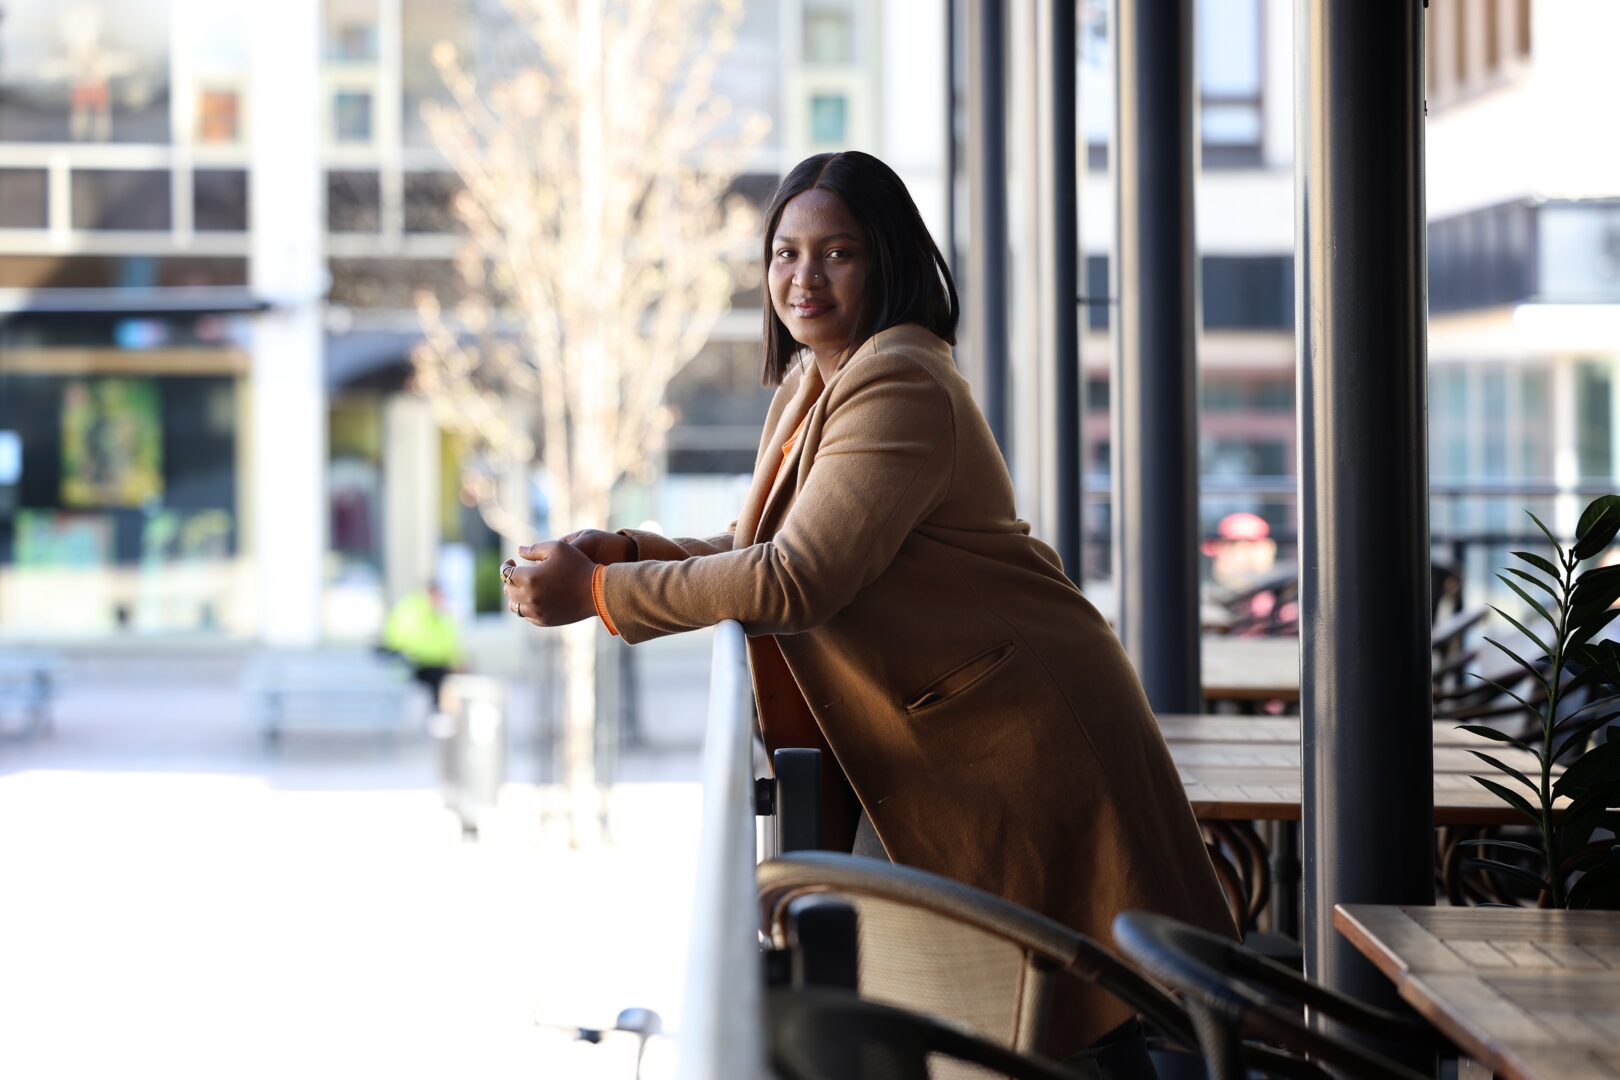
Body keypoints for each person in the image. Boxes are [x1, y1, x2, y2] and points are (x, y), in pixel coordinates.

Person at [500, 151, 1234, 1069]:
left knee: (1075, 1016)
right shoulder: (816, 379)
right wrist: (634, 551)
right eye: (786, 252)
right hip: (969, 729)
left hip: (1025, 737)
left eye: (837, 253)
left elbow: (797, 581)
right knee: (1049, 1015)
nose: (803, 277)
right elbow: (756, 548)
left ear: (885, 261)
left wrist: (601, 595)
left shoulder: (899, 382)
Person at [381, 582, 461, 707]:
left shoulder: (440, 613)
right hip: (415, 666)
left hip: (435, 666)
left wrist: (454, 659)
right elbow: (405, 638)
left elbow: (450, 639)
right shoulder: (414, 610)